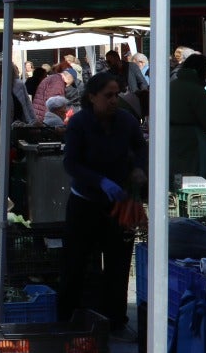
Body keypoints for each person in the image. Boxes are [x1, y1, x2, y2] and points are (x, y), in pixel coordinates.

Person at [61, 71, 146, 337]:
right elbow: (71, 163)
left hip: (118, 205)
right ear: (92, 97)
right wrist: (99, 182)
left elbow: (142, 149)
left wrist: (139, 169)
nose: (113, 100)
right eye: (107, 95)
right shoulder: (79, 123)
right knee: (75, 263)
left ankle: (116, 320)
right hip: (85, 203)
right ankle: (68, 320)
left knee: (118, 265)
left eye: (116, 94)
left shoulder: (127, 121)